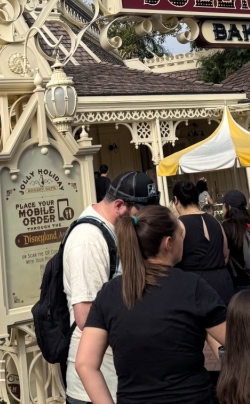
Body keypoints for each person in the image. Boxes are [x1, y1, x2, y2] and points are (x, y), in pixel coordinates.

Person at [75, 205, 227, 404]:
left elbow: (85, 364)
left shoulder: (109, 293)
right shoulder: (192, 287)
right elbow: (239, 342)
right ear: (168, 243)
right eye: (182, 236)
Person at [64, 171, 159, 404]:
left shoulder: (113, 231)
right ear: (119, 205)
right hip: (95, 388)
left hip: (118, 380)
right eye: (142, 214)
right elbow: (86, 315)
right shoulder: (88, 239)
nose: (145, 221)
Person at [172, 180, 233, 306]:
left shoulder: (179, 225)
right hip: (222, 281)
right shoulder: (215, 222)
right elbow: (225, 255)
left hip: (194, 286)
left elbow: (172, 260)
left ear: (176, 200)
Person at [221, 190, 250, 294]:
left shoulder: (227, 227)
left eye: (223, 205)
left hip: (240, 283)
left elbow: (225, 257)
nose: (222, 209)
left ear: (228, 207)